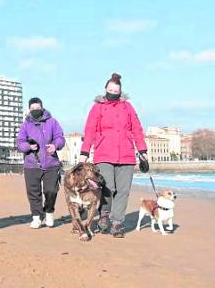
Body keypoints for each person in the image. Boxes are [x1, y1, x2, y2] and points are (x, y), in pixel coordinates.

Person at [79, 73, 147, 238]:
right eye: (110, 89)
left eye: (116, 90)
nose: (113, 92)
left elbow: (137, 129)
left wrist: (143, 152)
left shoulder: (128, 107)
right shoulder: (97, 107)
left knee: (123, 191)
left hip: (126, 154)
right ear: (105, 89)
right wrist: (84, 153)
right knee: (108, 187)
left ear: (120, 91)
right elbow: (89, 130)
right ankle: (104, 214)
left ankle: (117, 223)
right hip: (104, 154)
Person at [17, 97, 65, 229]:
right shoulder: (25, 125)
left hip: (51, 163)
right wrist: (28, 146)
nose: (35, 111)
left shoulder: (53, 122)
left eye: (37, 108)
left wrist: (55, 145)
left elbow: (60, 138)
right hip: (32, 164)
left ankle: (49, 212)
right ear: (29, 110)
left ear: (42, 108)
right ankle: (37, 217)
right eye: (32, 109)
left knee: (51, 190)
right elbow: (19, 143)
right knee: (33, 192)